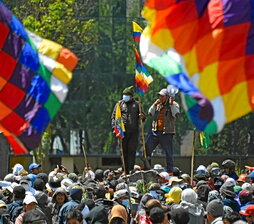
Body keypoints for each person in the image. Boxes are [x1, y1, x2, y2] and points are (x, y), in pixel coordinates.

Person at [111, 86, 145, 174]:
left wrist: (142, 116)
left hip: (134, 132)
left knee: (132, 150)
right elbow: (114, 117)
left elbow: (143, 117)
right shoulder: (119, 104)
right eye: (124, 95)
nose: (124, 96)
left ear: (131, 96)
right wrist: (114, 128)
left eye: (127, 95)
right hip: (122, 131)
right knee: (123, 150)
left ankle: (130, 168)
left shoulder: (137, 104)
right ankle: (124, 169)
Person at [145, 88, 179, 173]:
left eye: (162, 96)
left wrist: (171, 105)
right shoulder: (158, 104)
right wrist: (154, 104)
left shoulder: (174, 104)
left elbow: (176, 114)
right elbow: (150, 113)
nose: (160, 97)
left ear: (167, 97)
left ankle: (170, 170)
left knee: (168, 152)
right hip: (155, 131)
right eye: (159, 96)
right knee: (147, 149)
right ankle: (147, 167)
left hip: (166, 132)